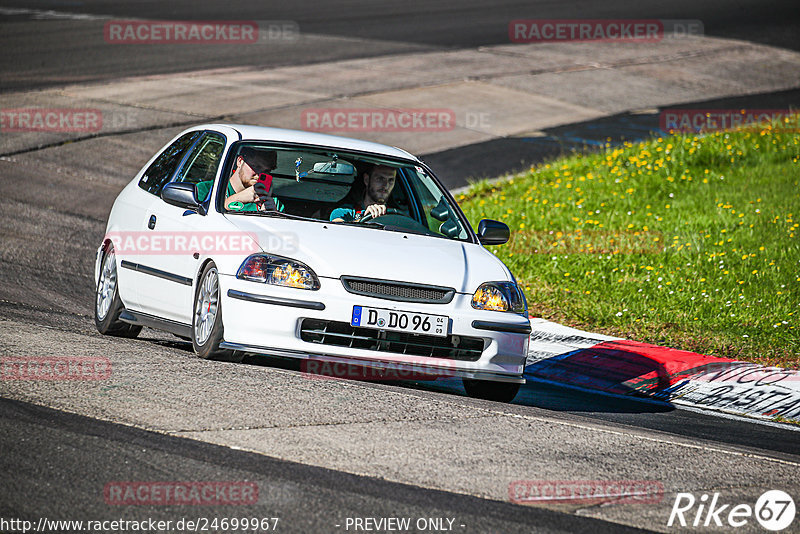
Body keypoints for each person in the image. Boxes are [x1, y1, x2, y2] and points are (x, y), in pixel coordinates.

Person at [195, 147, 284, 212]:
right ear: (240, 161)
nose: (260, 175)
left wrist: (273, 215)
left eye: (267, 171)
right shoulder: (206, 190)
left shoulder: (272, 202)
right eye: (255, 167)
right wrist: (238, 198)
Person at [330, 164, 396, 222]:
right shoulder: (346, 212)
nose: (386, 185)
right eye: (380, 179)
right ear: (366, 179)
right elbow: (337, 228)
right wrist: (365, 219)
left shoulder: (397, 216)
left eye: (391, 180)